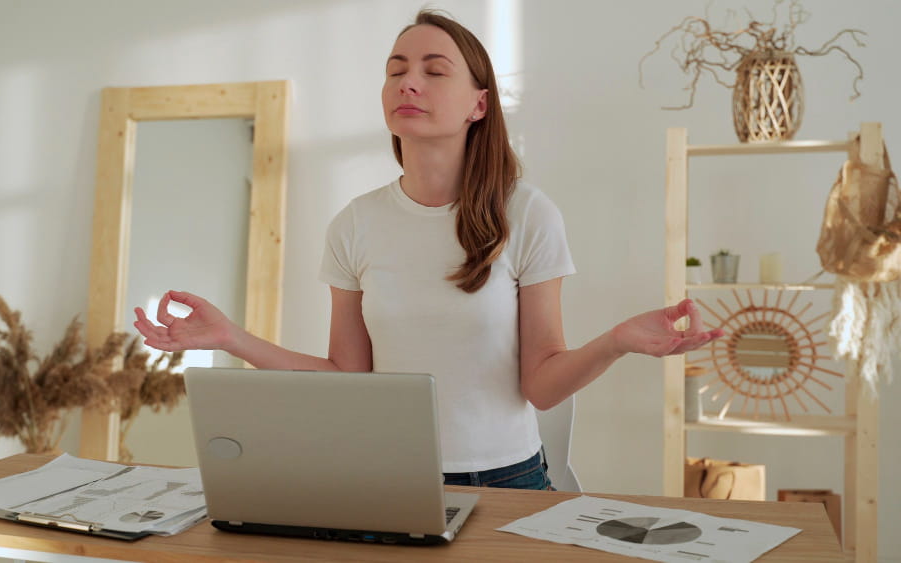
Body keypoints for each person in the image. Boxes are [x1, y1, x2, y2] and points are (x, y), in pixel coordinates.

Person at [134, 10, 723, 491]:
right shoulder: (355, 224)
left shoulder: (528, 215)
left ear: (479, 104)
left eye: (434, 71)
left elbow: (541, 384)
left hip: (508, 480)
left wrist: (618, 340)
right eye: (396, 71)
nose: (408, 83)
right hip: (392, 481)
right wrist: (230, 338)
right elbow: (348, 376)